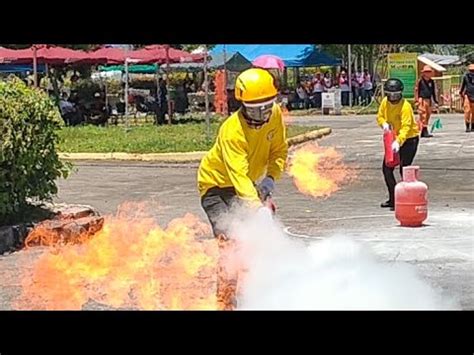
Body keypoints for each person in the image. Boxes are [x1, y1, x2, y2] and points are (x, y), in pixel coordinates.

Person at [197, 68, 288, 310]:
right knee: (231, 243)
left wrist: (270, 179)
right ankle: (225, 303)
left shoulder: (275, 115)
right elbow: (237, 175)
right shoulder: (232, 131)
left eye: (268, 106)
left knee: (257, 242)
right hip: (216, 187)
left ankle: (258, 293)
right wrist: (258, 209)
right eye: (257, 109)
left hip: (248, 185)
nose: (264, 113)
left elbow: (279, 151)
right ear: (244, 106)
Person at [377, 78, 420, 211]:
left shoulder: (405, 106)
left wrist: (399, 142)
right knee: (387, 168)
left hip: (409, 140)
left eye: (395, 94)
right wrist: (383, 124)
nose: (393, 97)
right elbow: (380, 116)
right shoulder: (385, 102)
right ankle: (393, 198)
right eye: (390, 94)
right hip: (393, 138)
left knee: (404, 169)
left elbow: (406, 127)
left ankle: (407, 199)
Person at [415, 65, 438, 138]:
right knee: (423, 115)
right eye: (426, 72)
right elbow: (416, 91)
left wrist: (435, 101)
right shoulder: (420, 81)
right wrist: (416, 100)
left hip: (429, 100)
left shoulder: (432, 82)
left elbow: (433, 92)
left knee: (428, 115)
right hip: (422, 100)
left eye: (429, 72)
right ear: (423, 73)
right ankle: (424, 131)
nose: (428, 73)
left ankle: (423, 130)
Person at [459, 64, 474, 133]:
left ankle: (473, 126)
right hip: (467, 95)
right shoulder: (465, 77)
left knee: (473, 112)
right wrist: (461, 93)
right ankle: (467, 126)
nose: (472, 72)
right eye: (471, 70)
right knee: (467, 111)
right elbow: (463, 85)